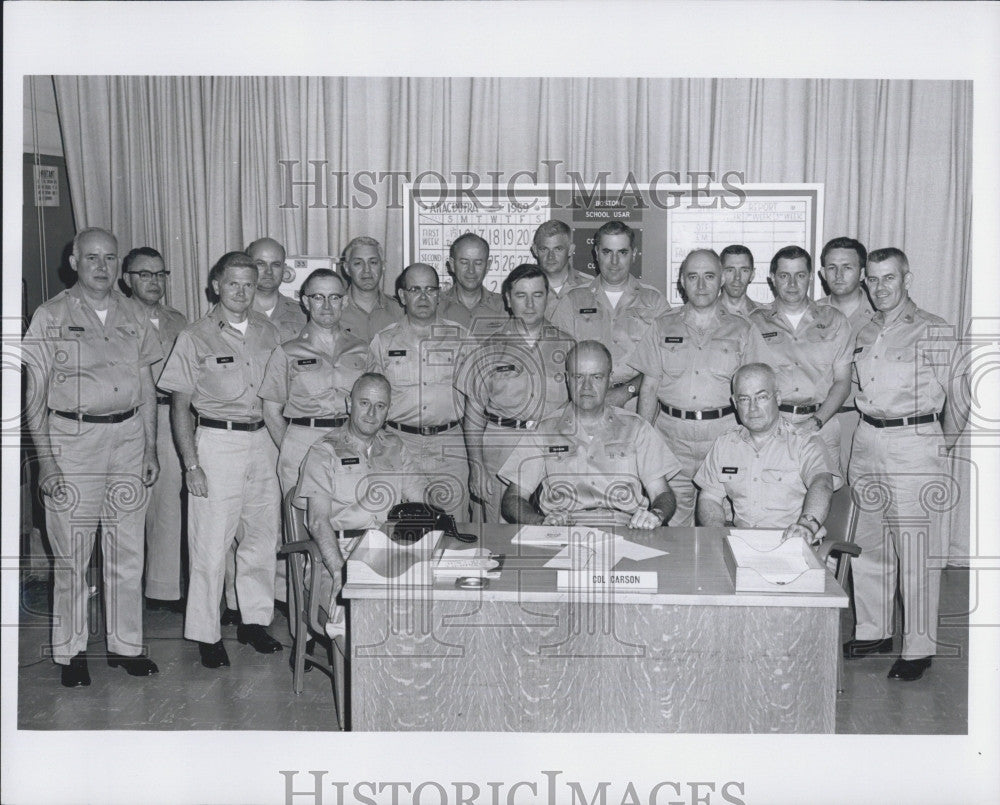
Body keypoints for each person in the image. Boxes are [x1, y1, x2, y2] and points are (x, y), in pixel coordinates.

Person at [23, 227, 161, 686]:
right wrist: (46, 461)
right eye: (92, 258)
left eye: (109, 258)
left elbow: (145, 386)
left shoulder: (134, 314)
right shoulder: (51, 315)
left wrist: (150, 448)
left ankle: (126, 645)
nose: (102, 267)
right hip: (73, 442)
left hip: (127, 438)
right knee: (72, 553)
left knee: (127, 549)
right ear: (74, 261)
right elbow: (35, 396)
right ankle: (71, 651)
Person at [845, 247, 968, 681]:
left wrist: (939, 446)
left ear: (906, 279)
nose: (879, 288)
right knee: (869, 543)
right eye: (872, 280)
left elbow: (960, 395)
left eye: (888, 279)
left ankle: (918, 647)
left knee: (916, 548)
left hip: (914, 442)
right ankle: (874, 630)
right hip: (867, 440)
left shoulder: (932, 330)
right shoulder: (862, 328)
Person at [157, 251, 283, 669]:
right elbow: (179, 407)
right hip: (215, 441)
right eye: (233, 283)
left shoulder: (269, 331)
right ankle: (206, 633)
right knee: (210, 545)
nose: (242, 291)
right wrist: (192, 465)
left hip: (262, 440)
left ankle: (254, 621)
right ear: (215, 285)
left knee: (262, 538)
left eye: (249, 283)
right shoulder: (195, 336)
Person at [628, 248, 760, 526]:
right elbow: (649, 388)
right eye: (693, 276)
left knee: (723, 522)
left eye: (709, 276)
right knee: (670, 522)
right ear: (682, 281)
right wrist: (643, 440)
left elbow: (756, 392)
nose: (701, 285)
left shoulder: (743, 330)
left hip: (724, 438)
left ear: (722, 279)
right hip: (671, 439)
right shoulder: (662, 327)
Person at [499, 341, 679, 528]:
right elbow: (513, 498)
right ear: (567, 379)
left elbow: (662, 494)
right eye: (579, 377)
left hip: (626, 529)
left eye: (596, 377)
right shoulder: (544, 431)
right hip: (565, 531)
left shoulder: (636, 428)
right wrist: (542, 522)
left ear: (609, 379)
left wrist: (655, 515)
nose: (586, 387)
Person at [295, 373, 423, 633]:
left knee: (431, 601)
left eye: (380, 406)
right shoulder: (324, 451)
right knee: (355, 611)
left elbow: (422, 505)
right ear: (348, 403)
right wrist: (341, 571)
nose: (371, 413)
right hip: (337, 551)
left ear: (388, 410)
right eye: (364, 403)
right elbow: (318, 522)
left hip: (388, 548)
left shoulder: (395, 447)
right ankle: (359, 672)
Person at [454, 264, 574, 522]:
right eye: (521, 295)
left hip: (551, 456)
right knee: (499, 538)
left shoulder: (567, 346)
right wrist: (477, 468)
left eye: (537, 295)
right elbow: (473, 413)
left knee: (553, 531)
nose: (530, 304)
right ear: (508, 299)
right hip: (501, 456)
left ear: (548, 297)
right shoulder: (488, 348)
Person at [366, 263, 470, 519]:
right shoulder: (383, 341)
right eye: (415, 290)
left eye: (430, 290)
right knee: (402, 525)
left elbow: (476, 401)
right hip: (400, 444)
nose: (423, 297)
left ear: (439, 294)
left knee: (453, 524)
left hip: (450, 445)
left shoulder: (462, 338)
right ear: (402, 296)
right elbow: (372, 401)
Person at [694, 363, 839, 541]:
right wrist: (719, 534)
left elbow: (822, 483)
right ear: (734, 402)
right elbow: (710, 497)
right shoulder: (725, 444)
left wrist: (806, 526)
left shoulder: (804, 442)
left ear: (777, 398)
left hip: (792, 543)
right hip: (742, 545)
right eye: (744, 399)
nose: (752, 408)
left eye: (761, 397)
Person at [260, 269, 368, 496]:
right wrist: (291, 448)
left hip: (350, 445)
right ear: (306, 302)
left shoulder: (362, 350)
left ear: (344, 301)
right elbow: (271, 410)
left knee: (351, 519)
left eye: (334, 297)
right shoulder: (287, 352)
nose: (327, 305)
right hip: (302, 446)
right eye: (318, 297)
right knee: (302, 525)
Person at [122, 246, 189, 612]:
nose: (154, 281)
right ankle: (125, 595)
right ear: (127, 279)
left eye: (160, 274)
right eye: (144, 274)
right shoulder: (116, 318)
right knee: (131, 506)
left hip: (169, 416)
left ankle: (162, 591)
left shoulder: (177, 321)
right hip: (130, 418)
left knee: (168, 505)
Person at [748, 245, 852, 474]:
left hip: (821, 426)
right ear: (772, 279)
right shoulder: (753, 323)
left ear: (810, 278)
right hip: (771, 429)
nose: (792, 284)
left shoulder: (835, 320)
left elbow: (843, 382)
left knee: (823, 498)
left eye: (800, 275)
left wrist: (815, 422)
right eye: (784, 276)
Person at [550, 220, 667, 408]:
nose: (614, 262)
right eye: (607, 252)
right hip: (584, 404)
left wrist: (627, 391)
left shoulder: (655, 302)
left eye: (622, 252)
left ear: (634, 254)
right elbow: (556, 360)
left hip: (638, 405)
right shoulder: (572, 301)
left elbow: (665, 362)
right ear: (596, 254)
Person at [816, 236, 875, 471]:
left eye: (847, 267)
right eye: (832, 267)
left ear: (862, 273)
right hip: (819, 420)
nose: (838, 275)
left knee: (862, 497)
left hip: (862, 421)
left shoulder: (881, 316)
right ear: (822, 273)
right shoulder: (810, 316)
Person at [338, 236, 404, 342]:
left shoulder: (400, 312)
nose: (367, 270)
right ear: (346, 268)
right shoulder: (334, 310)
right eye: (358, 263)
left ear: (383, 266)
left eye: (373, 262)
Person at [438, 232, 506, 334]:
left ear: (487, 266)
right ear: (452, 265)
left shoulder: (505, 308)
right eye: (464, 262)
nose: (471, 270)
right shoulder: (436, 306)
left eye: (478, 263)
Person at [247, 237, 307, 342]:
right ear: (248, 267)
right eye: (260, 264)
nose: (269, 271)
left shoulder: (303, 314)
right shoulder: (233, 311)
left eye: (275, 265)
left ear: (284, 269)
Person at [530, 219, 590, 316]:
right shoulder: (523, 289)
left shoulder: (590, 287)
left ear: (570, 250)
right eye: (544, 249)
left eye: (558, 249)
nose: (551, 256)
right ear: (535, 250)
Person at [718, 244, 759, 319]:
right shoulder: (703, 313)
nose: (737, 277)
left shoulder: (765, 315)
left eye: (744, 270)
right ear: (720, 274)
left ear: (752, 274)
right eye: (730, 270)